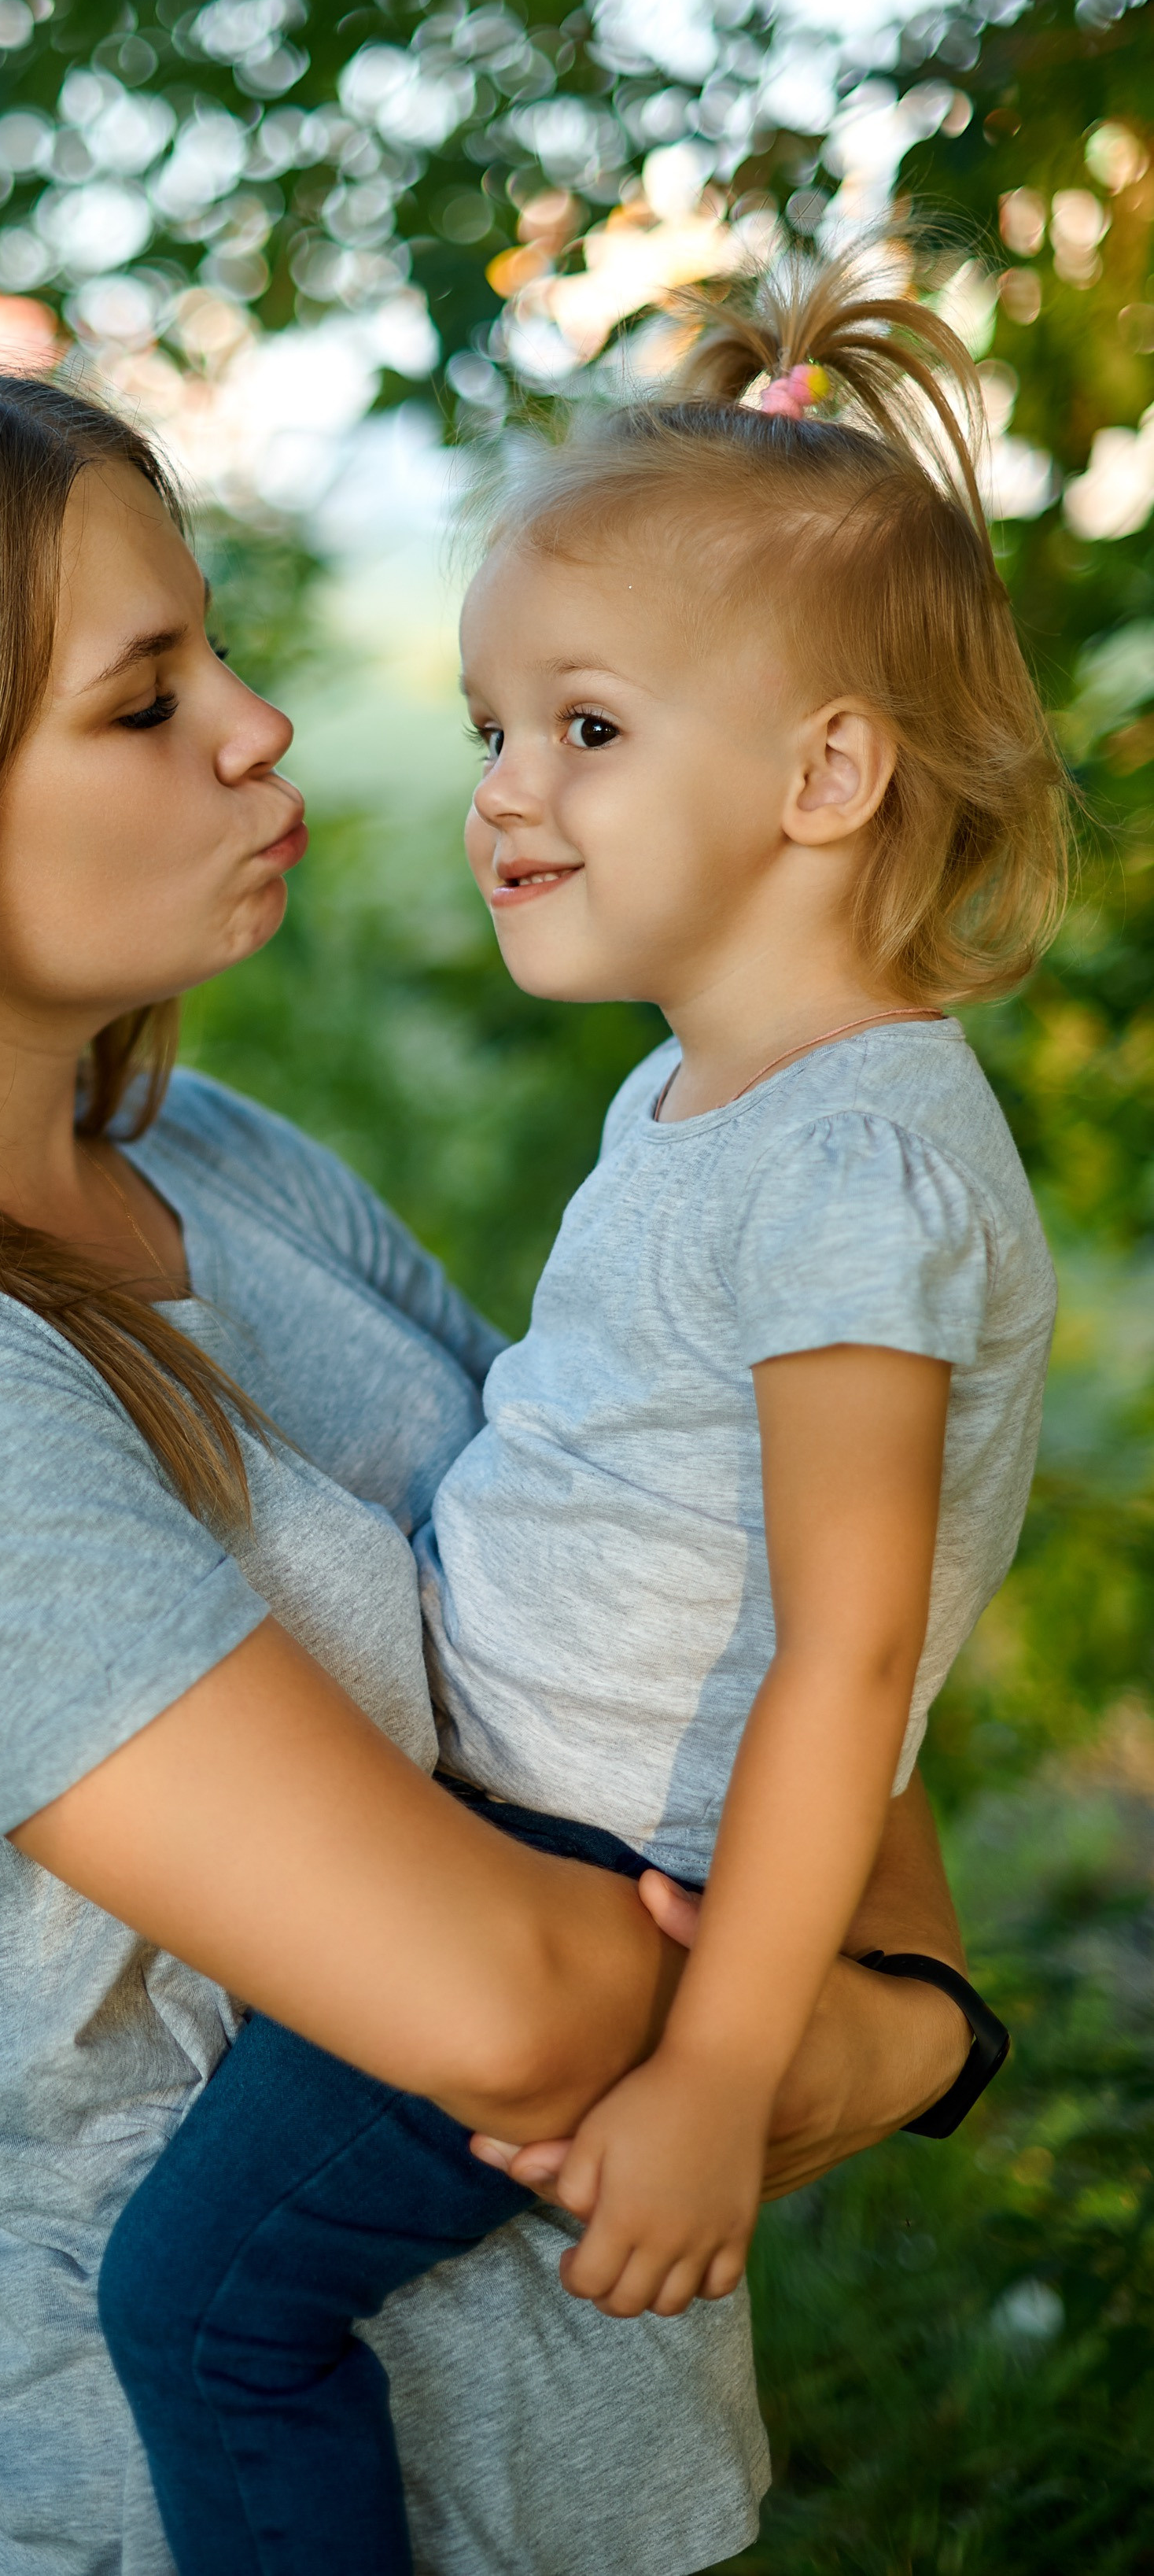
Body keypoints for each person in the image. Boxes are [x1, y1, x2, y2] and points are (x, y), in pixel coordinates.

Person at [0, 358, 992, 2576]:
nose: (257, 724)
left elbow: (749, 1616)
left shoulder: (223, 1165)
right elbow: (508, 2013)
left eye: (214, 649)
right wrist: (863, 2036)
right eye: (144, 699)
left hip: (621, 2499)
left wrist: (889, 2024)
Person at [96, 255, 1060, 2575]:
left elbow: (850, 1651)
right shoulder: (716, 1095)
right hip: (539, 1825)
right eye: (489, 726)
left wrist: (718, 2071)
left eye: (588, 729)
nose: (503, 791)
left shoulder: (851, 1172)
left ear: (828, 775)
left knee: (203, 2314)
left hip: (581, 1871)